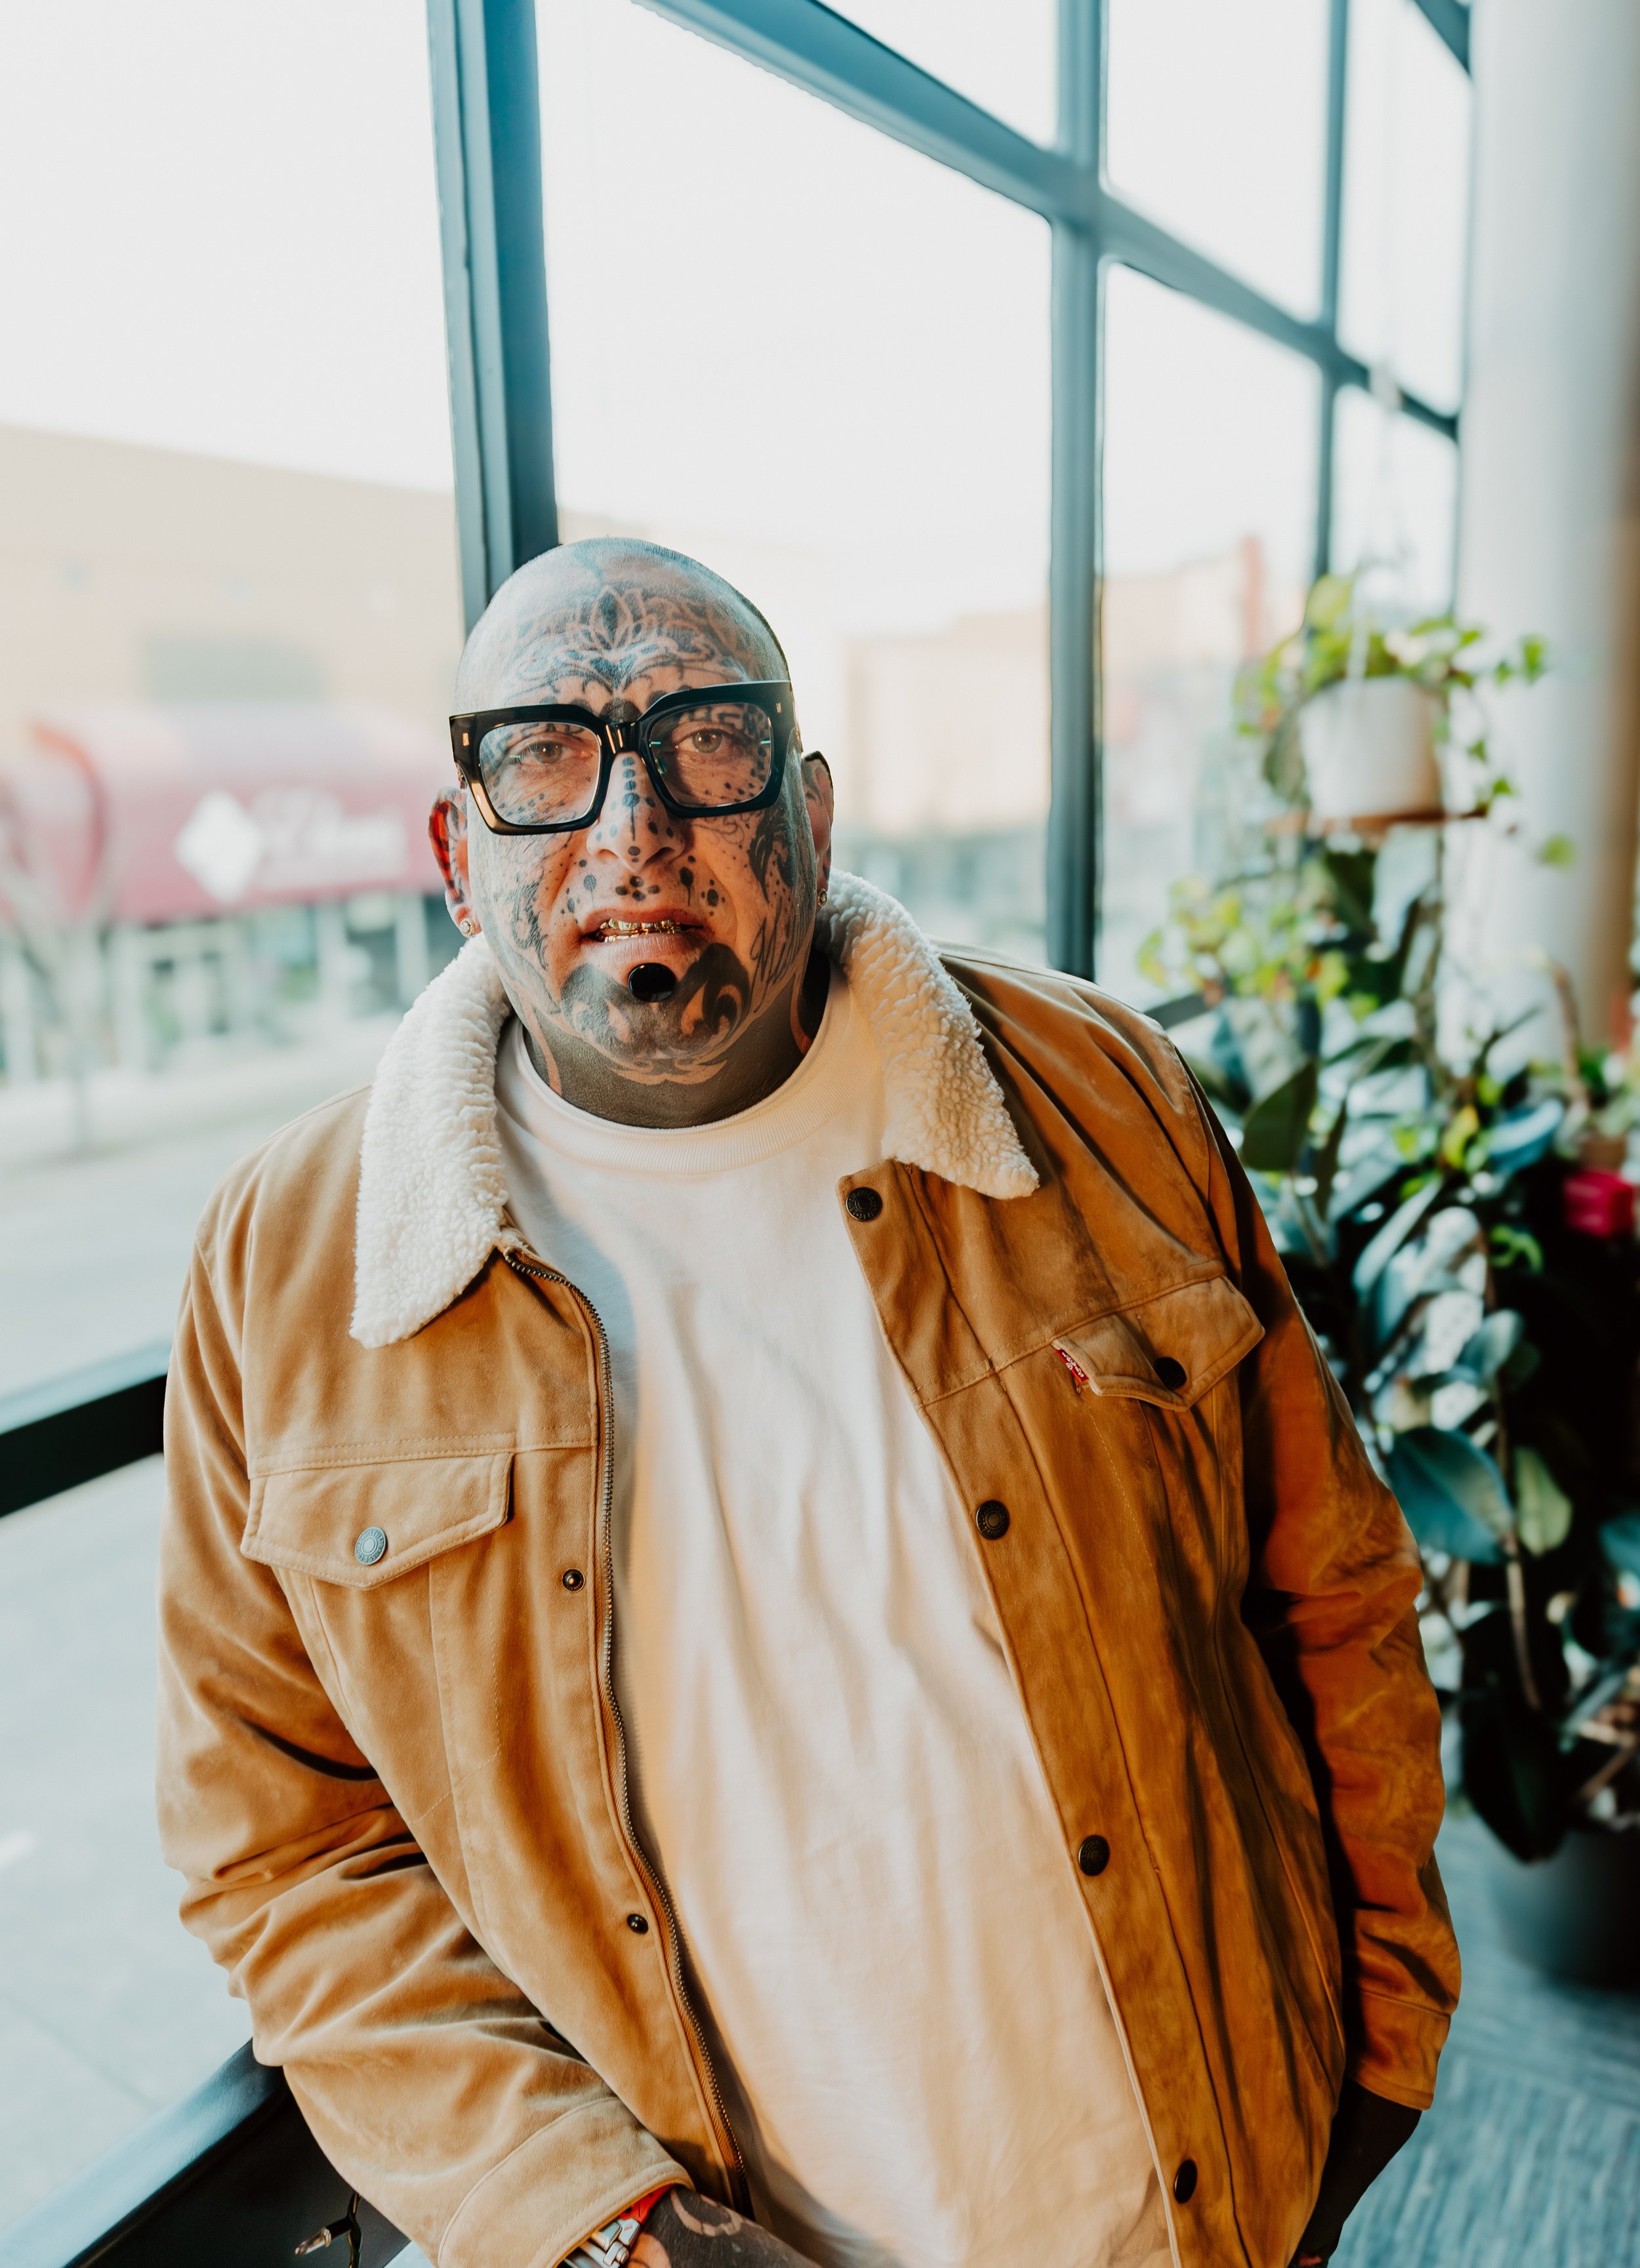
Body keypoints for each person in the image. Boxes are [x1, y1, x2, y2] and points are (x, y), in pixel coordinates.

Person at [157, 540, 1459, 2268]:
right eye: (545, 754)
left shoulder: (1098, 1098)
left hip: (1209, 2187)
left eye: (707, 742)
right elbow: (284, 1853)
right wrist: (602, 2230)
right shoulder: (288, 1270)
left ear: (813, 813)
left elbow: (1339, 1583)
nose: (632, 834)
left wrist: (1380, 2038)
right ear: (455, 853)